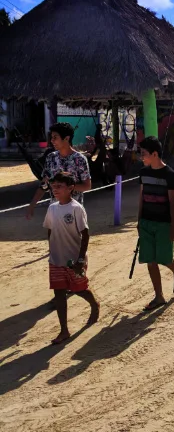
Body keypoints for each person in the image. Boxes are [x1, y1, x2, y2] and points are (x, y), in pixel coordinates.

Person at [43, 171, 100, 345]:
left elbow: (85, 234)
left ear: (70, 188)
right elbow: (50, 230)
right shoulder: (52, 208)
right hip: (56, 260)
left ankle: (94, 304)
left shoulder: (76, 209)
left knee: (79, 289)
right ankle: (64, 330)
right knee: (59, 292)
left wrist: (81, 259)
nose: (55, 189)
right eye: (54, 186)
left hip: (74, 259)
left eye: (59, 186)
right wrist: (52, 251)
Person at [138, 136, 174, 311]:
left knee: (164, 257)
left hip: (163, 223)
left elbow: (172, 202)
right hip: (146, 222)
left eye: (143, 153)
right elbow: (142, 198)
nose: (141, 157)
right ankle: (159, 296)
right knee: (150, 260)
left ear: (154, 154)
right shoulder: (143, 173)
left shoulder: (169, 175)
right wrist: (139, 221)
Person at [26, 122, 91, 219]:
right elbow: (44, 185)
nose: (52, 141)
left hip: (74, 214)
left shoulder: (80, 159)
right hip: (55, 213)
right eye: (51, 137)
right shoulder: (51, 158)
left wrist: (67, 188)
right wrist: (32, 204)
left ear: (67, 138)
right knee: (52, 234)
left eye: (55, 137)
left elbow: (87, 186)